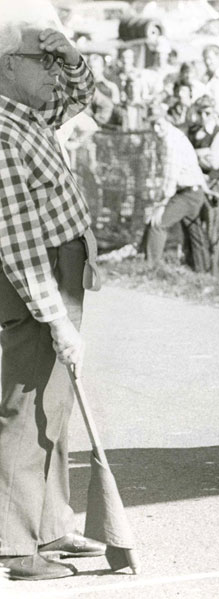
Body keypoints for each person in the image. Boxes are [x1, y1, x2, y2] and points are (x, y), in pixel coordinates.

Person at [0, 18, 105, 581]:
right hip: (35, 281)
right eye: (40, 62)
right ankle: (15, 544)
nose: (52, 75)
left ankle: (52, 524)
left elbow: (82, 95)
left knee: (56, 403)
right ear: (10, 66)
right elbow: (16, 245)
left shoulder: (30, 113)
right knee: (25, 408)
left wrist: (69, 54)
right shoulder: (2, 132)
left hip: (61, 271)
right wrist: (58, 319)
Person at [143, 105, 211, 271]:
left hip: (189, 193)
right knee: (194, 233)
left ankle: (151, 268)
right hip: (193, 192)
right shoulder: (173, 136)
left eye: (159, 123)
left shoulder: (171, 141)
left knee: (158, 223)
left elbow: (170, 176)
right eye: (153, 125)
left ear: (167, 120)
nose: (156, 128)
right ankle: (203, 271)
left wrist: (161, 204)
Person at [185, 95, 219, 272]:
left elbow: (214, 163)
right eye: (200, 112)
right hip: (195, 184)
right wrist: (202, 154)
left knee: (214, 228)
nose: (204, 116)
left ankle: (217, 272)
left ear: (214, 112)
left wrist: (195, 155)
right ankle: (197, 267)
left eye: (208, 112)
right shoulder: (194, 132)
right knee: (194, 225)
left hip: (213, 185)